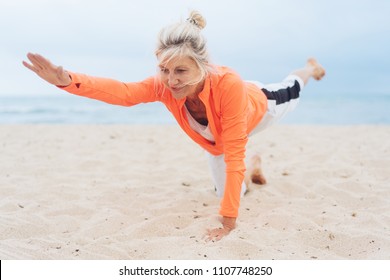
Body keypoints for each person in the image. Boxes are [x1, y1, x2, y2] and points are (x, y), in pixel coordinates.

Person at [23, 10, 325, 242]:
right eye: (165, 70)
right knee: (229, 190)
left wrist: (227, 223)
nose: (172, 80)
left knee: (293, 86)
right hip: (222, 140)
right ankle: (254, 166)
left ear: (203, 65)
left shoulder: (227, 83)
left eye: (181, 70)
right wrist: (67, 80)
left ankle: (310, 68)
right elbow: (124, 92)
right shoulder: (164, 86)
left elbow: (234, 153)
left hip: (260, 107)